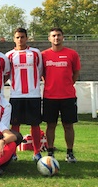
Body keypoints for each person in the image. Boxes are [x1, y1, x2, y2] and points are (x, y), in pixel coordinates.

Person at [42, 27, 81, 163]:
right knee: (50, 125)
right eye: (53, 35)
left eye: (58, 35)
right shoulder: (44, 55)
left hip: (68, 96)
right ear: (49, 38)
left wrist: (68, 84)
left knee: (68, 125)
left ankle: (70, 152)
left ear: (63, 37)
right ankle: (50, 151)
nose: (56, 38)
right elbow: (42, 74)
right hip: (50, 96)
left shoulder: (72, 54)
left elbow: (76, 72)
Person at [5, 27, 43, 161]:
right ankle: (13, 153)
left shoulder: (35, 53)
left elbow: (39, 70)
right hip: (16, 94)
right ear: (14, 39)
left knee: (35, 124)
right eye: (17, 37)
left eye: (22, 37)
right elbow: (7, 74)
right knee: (15, 125)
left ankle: (37, 152)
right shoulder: (9, 55)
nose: (20, 40)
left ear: (26, 38)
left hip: (33, 94)